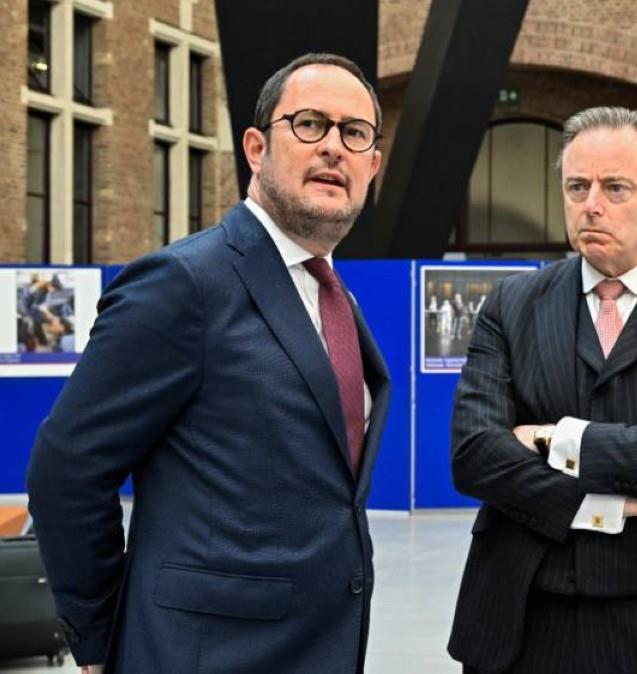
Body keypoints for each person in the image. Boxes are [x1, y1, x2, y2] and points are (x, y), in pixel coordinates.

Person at [26, 52, 391, 674]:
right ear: (256, 148)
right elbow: (68, 468)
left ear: (372, 166)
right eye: (309, 124)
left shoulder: (334, 298)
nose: (333, 146)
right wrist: (102, 638)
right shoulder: (183, 283)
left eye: (354, 133)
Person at [448, 106, 637, 673]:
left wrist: (552, 439)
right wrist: (604, 504)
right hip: (526, 614)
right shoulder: (509, 306)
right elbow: (474, 455)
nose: (591, 204)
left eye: (615, 188)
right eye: (577, 187)